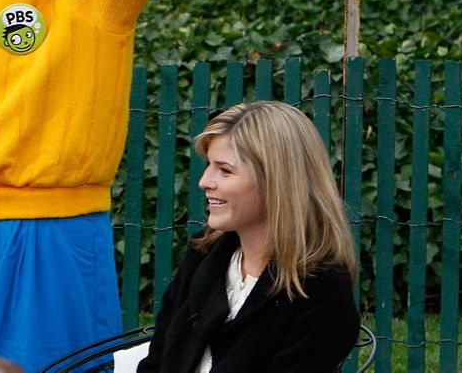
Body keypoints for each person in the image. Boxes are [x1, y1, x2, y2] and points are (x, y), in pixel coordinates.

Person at [137, 101, 359, 373]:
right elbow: (156, 361)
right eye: (209, 165)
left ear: (276, 181)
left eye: (225, 170)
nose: (204, 181)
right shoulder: (203, 255)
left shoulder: (321, 288)